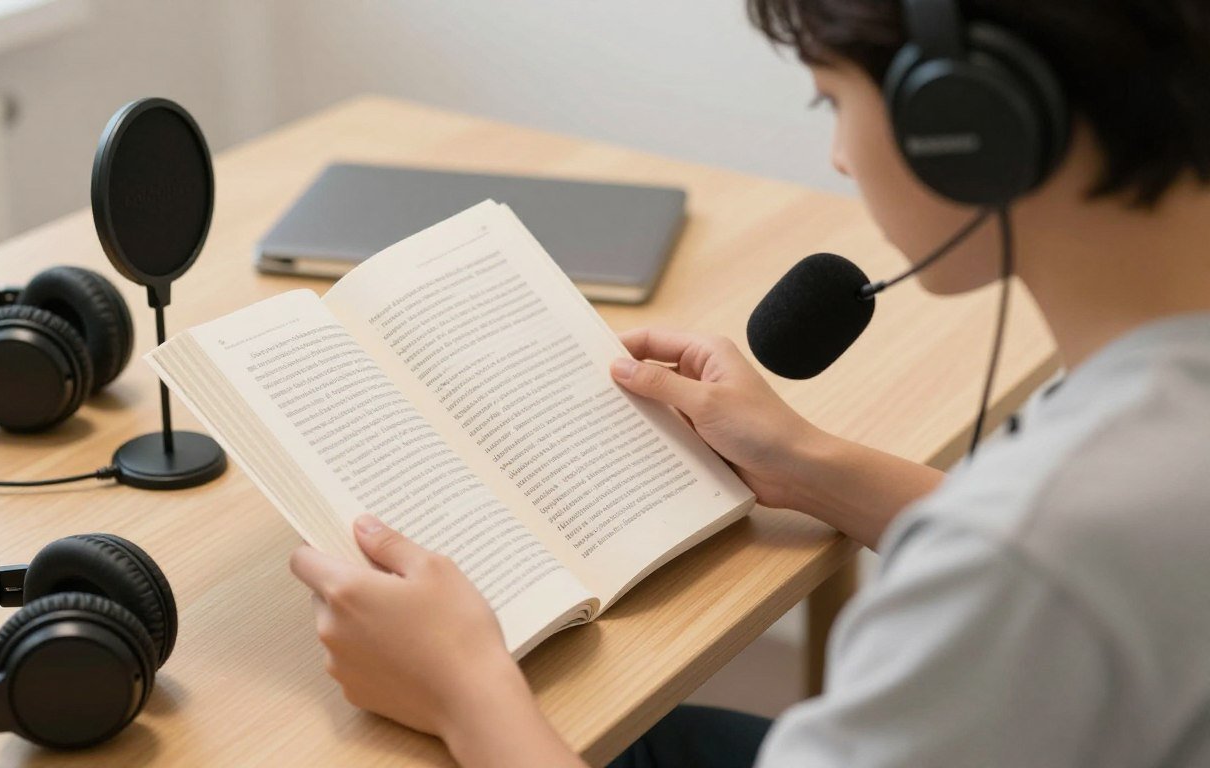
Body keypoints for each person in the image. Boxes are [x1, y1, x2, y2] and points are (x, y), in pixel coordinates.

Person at [287, 0, 1210, 765]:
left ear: (964, 121)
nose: (841, 156)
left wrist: (462, 689)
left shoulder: (1035, 548)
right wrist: (806, 464)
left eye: (830, 102)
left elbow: (1043, 563)